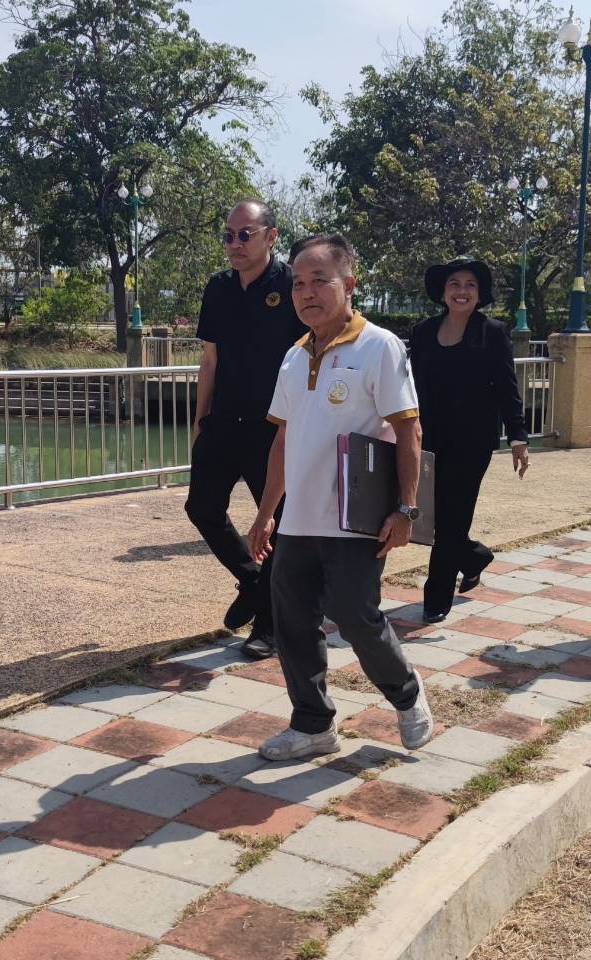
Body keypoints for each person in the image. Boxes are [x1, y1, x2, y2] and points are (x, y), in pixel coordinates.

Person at [246, 233, 434, 761]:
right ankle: (312, 725)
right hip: (298, 522)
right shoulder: (292, 356)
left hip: (356, 521)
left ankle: (406, 693)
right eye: (299, 283)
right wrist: (265, 515)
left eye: (319, 280)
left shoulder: (379, 346)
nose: (307, 292)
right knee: (293, 623)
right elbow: (283, 441)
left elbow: (408, 429)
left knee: (355, 615)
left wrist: (406, 508)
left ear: (349, 284)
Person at [185, 200, 307, 659]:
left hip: (273, 426)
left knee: (274, 522)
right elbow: (210, 359)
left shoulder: (290, 285)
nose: (235, 244)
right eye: (228, 235)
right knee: (202, 508)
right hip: (223, 421)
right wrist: (200, 419)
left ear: (270, 237)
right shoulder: (217, 288)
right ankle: (254, 583)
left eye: (245, 234)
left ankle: (270, 626)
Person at [407, 256, 530, 623]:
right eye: (455, 284)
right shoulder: (423, 332)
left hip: (472, 442)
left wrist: (518, 436)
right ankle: (474, 557)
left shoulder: (491, 331)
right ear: (443, 293)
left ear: (479, 295)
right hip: (429, 439)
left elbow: (507, 388)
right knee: (434, 517)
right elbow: (409, 387)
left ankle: (436, 598)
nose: (462, 291)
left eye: (470, 285)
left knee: (454, 517)